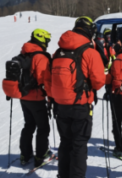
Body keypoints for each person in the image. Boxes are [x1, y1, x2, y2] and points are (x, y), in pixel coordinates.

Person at [44, 17, 106, 178]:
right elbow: (99, 81)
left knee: (65, 143)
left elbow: (48, 79)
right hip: (80, 105)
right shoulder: (89, 52)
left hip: (60, 106)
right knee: (79, 145)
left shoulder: (58, 52)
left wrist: (53, 98)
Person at [14, 29, 53, 167]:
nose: (47, 43)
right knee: (43, 127)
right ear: (41, 39)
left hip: (23, 96)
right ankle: (41, 155)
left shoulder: (24, 53)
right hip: (36, 98)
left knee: (29, 125)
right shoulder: (40, 56)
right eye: (47, 40)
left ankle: (25, 154)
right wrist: (51, 97)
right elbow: (44, 80)